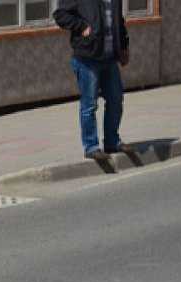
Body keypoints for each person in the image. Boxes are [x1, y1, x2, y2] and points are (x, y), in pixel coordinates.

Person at [53, 0, 132, 161]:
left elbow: (118, 21)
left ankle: (112, 142)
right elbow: (60, 15)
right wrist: (81, 26)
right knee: (89, 104)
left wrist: (123, 47)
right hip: (87, 58)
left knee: (116, 100)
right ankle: (91, 147)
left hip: (110, 58)